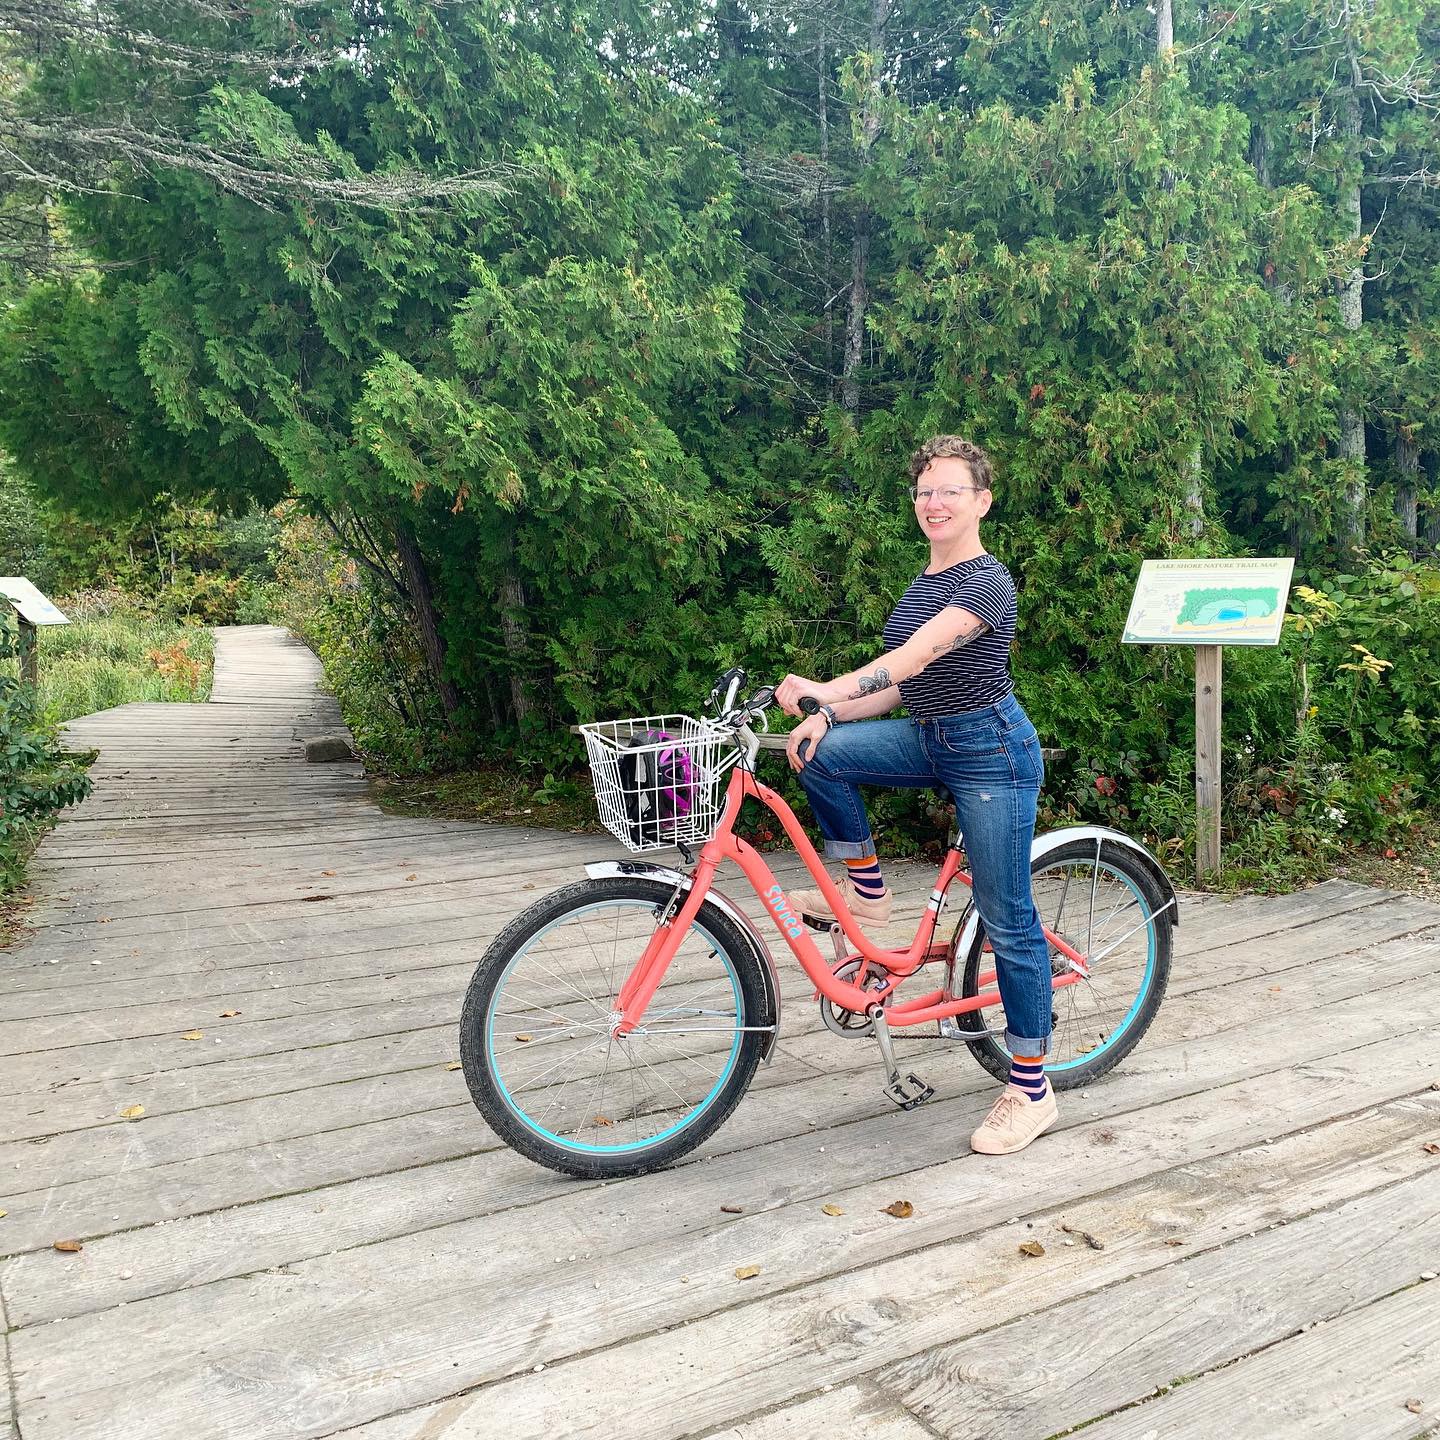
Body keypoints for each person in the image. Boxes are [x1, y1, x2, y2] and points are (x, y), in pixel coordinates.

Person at [773, 435, 1055, 1155]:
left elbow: (912, 657)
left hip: (991, 752)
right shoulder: (925, 581)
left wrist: (825, 688)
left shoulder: (986, 582)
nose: (934, 502)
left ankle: (1030, 1089)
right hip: (930, 735)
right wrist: (830, 715)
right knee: (818, 754)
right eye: (925, 491)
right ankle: (868, 894)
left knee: (1007, 919)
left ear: (981, 501)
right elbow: (902, 687)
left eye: (950, 490)